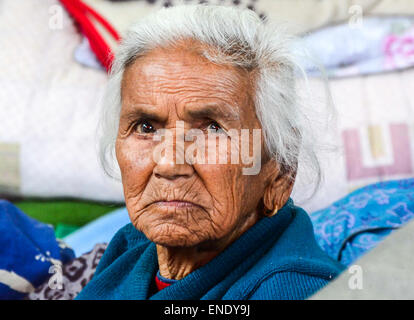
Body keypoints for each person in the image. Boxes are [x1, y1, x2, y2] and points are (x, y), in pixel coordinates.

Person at [76, 4, 344, 300]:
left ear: (280, 172)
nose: (168, 163)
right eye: (146, 127)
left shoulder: (293, 290)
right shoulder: (132, 248)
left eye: (212, 129)